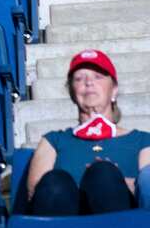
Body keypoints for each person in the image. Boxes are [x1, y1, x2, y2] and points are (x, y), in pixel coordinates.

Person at [25, 48, 150, 215]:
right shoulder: (53, 140)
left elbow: (146, 190)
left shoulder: (142, 141)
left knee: (103, 174)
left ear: (114, 89)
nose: (89, 82)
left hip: (125, 220)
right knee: (55, 181)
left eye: (98, 76)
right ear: (72, 92)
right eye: (79, 78)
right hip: (66, 218)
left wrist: (113, 180)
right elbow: (36, 193)